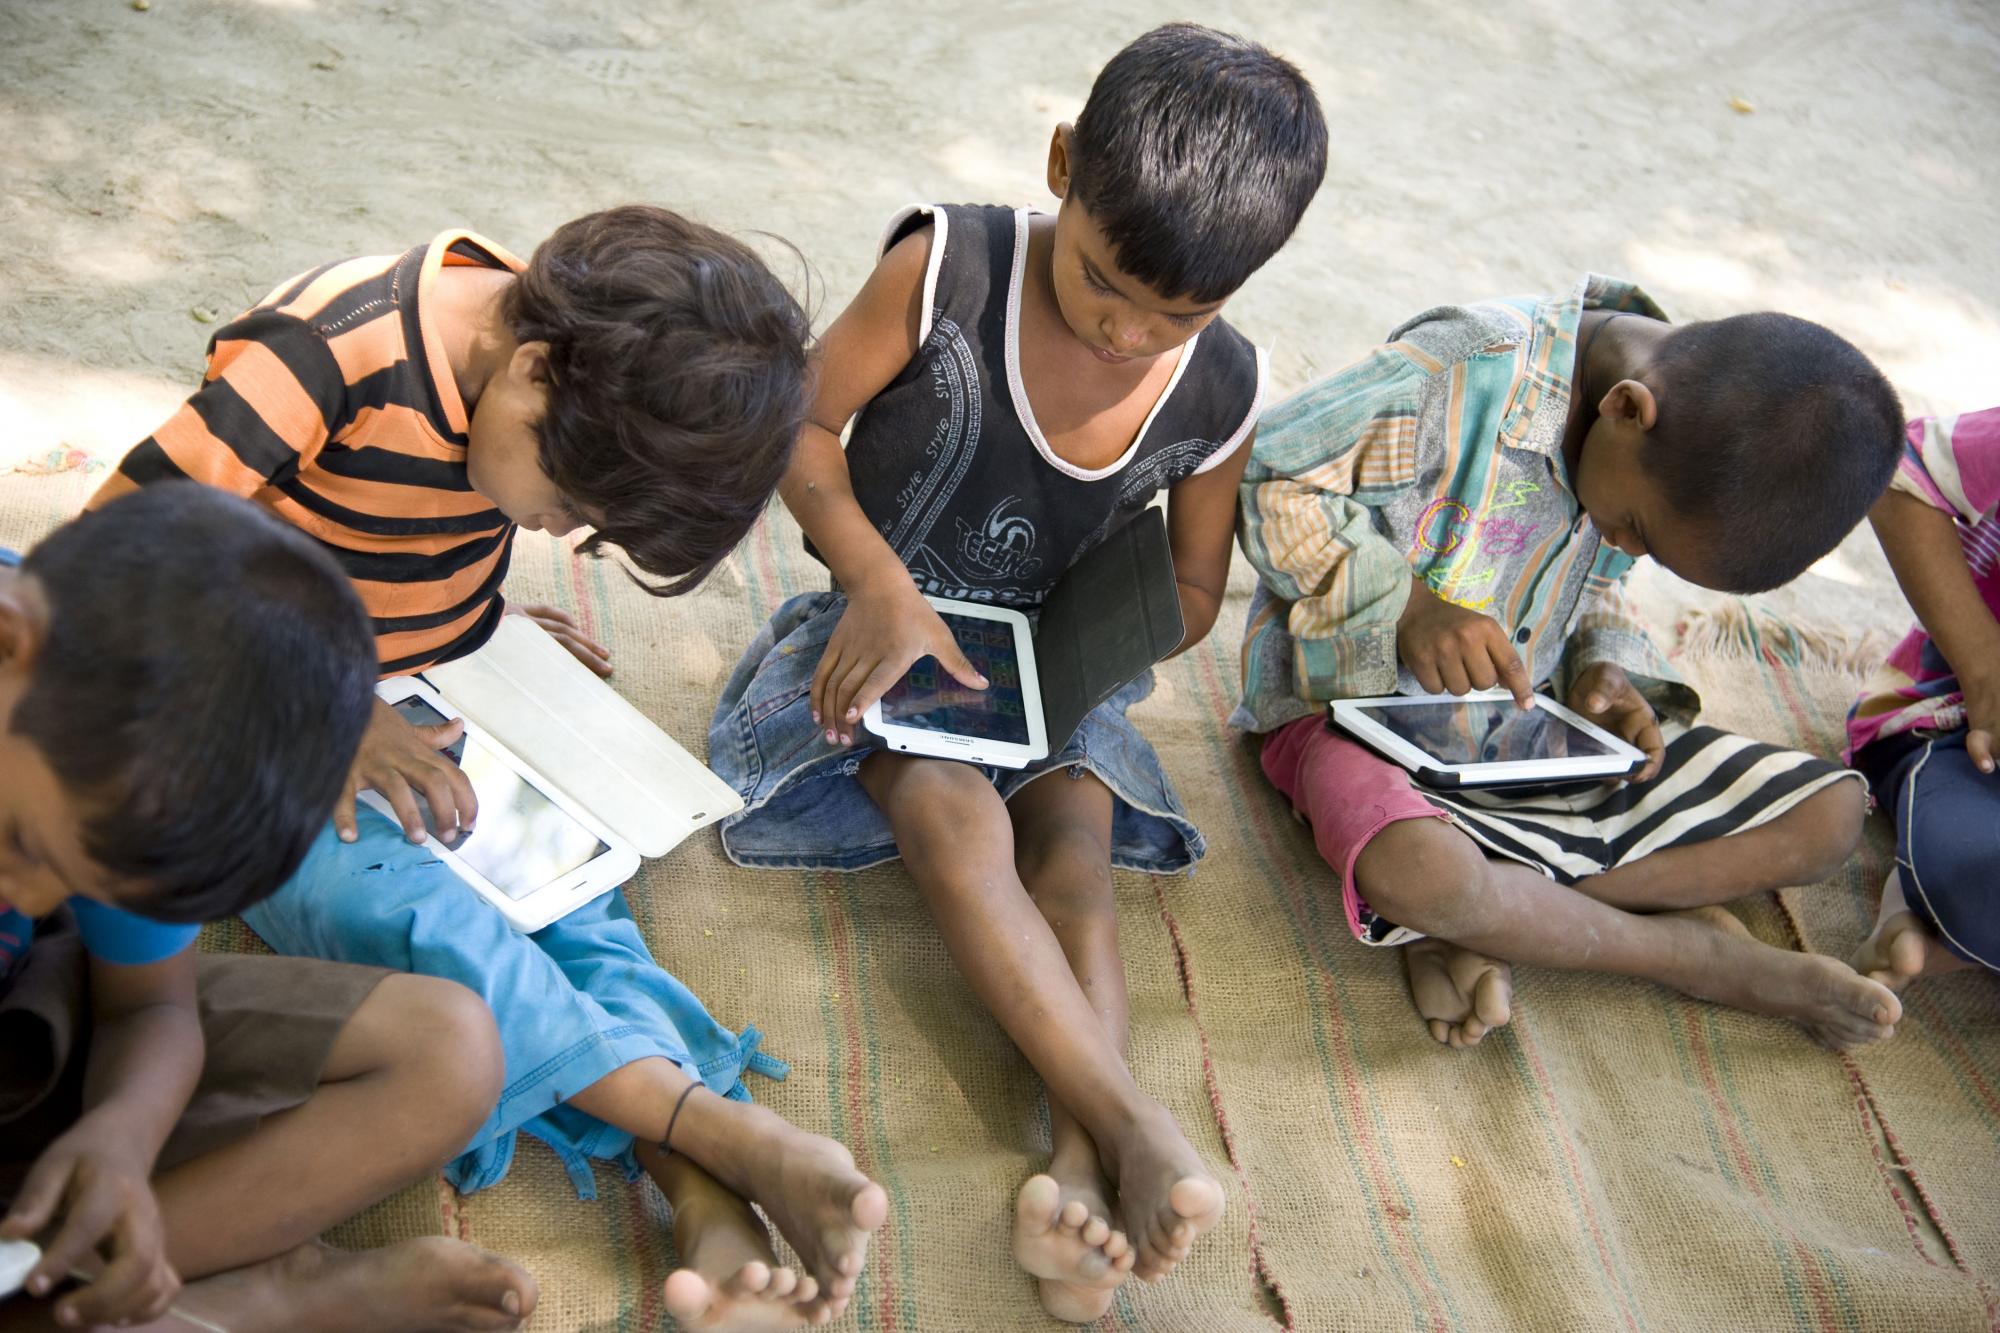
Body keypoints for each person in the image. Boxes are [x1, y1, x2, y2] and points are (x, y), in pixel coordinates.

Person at [91, 208, 886, 1330]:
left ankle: (694, 1188)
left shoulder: (581, 362)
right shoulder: (322, 355)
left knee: (569, 893)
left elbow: (396, 532)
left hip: (412, 696)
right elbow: (114, 563)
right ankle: (712, 1132)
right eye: (565, 508)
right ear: (528, 373)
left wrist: (480, 621)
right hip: (245, 723)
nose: (556, 528)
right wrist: (331, 706)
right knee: (429, 926)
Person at [709, 23, 1326, 1322]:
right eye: (1107, 281)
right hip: (879, 627)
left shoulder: (1222, 384)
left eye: (1179, 312)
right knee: (951, 813)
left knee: (1075, 847)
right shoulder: (949, 270)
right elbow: (802, 427)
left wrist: (1123, 628)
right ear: (1060, 164)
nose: (1125, 328)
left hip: (1046, 670)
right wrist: (880, 584)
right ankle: (1132, 1121)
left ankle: (1077, 1179)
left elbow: (1198, 590)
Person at [1233, 277, 1913, 1052]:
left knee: (1828, 818)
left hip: (1520, 745)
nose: (1622, 546)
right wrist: (1408, 604)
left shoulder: (1670, 439)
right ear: (1625, 409)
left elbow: (1601, 588)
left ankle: (1490, 922)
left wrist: (1607, 670)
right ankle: (1684, 952)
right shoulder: (1460, 370)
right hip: (1352, 722)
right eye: (1633, 529)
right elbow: (1272, 468)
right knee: (1418, 872)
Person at [0, 484, 536, 1333]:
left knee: (450, 1048)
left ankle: (94, 1281)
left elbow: (147, 1003)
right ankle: (224, 1303)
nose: (26, 897)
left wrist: (122, 1137)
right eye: (26, 843)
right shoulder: (98, 698)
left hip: (30, 1016)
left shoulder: (123, 749)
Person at [1845, 406, 2000, 996]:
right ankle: (1922, 909)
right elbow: (1900, 474)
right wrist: (1986, 673)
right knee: (1965, 851)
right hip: (1955, 722)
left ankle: (1934, 934)